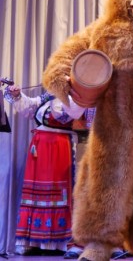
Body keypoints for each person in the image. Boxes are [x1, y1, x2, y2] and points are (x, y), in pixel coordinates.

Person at [2, 85, 92, 256]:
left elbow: (64, 115)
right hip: (40, 146)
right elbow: (31, 108)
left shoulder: (75, 98)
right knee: (35, 193)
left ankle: (58, 243)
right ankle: (34, 241)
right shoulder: (49, 96)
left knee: (58, 192)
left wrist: (59, 94)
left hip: (58, 146)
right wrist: (18, 95)